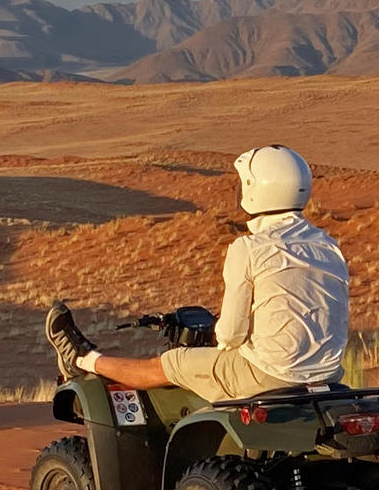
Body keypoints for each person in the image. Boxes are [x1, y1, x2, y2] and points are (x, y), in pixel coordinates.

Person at [48, 146, 350, 401]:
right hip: (328, 373)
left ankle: (82, 360)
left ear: (256, 190)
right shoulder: (329, 246)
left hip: (268, 376)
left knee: (169, 364)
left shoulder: (249, 247)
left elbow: (230, 336)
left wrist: (217, 335)